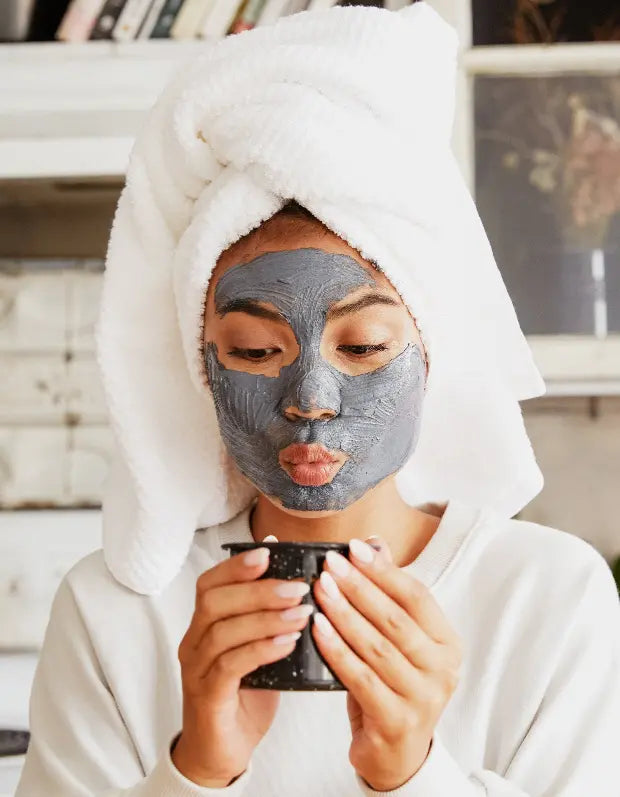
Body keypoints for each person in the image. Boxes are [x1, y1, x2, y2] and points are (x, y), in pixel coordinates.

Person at [16, 4, 620, 797]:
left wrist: (411, 769)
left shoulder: (547, 596)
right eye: (256, 351)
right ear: (201, 366)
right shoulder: (112, 613)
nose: (310, 399)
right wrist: (196, 765)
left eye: (364, 346)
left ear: (432, 351)